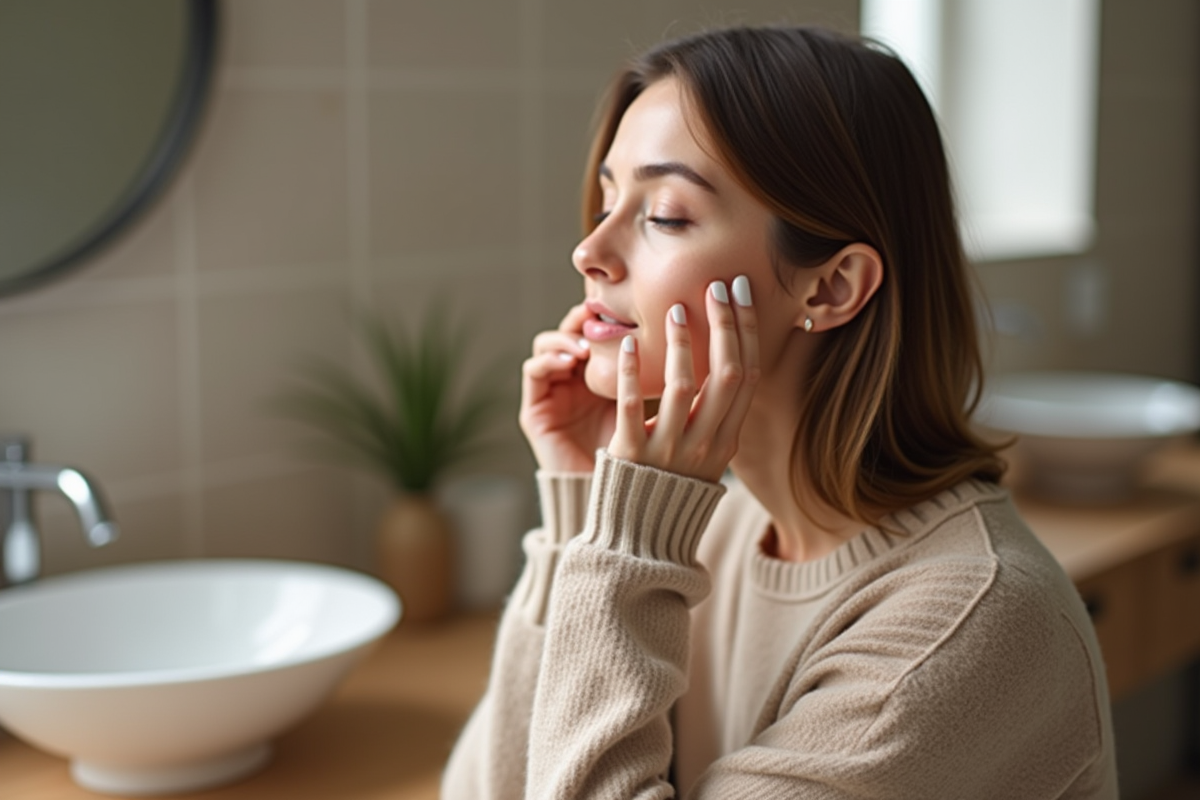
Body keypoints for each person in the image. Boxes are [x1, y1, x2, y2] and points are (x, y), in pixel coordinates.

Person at [443, 24, 1117, 799]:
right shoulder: (716, 528)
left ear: (830, 288)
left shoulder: (973, 628)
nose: (590, 249)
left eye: (664, 214)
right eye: (605, 199)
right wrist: (581, 521)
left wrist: (625, 546)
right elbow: (492, 788)